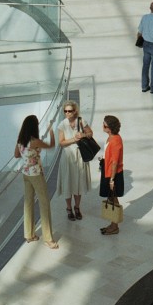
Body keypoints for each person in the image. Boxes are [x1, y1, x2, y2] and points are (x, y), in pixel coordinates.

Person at [14, 114, 59, 249]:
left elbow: (16, 155)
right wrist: (51, 130)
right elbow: (51, 145)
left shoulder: (20, 141)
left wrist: (27, 156)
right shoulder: (34, 141)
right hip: (36, 175)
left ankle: (29, 234)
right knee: (44, 204)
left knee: (28, 203)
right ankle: (48, 239)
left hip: (26, 174)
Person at [54, 96, 95, 226]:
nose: (67, 113)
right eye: (65, 111)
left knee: (78, 182)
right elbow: (61, 143)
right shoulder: (62, 125)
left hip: (80, 156)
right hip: (67, 157)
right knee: (68, 182)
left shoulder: (81, 121)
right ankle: (68, 208)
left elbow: (90, 133)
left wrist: (83, 135)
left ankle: (77, 207)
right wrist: (74, 139)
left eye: (70, 111)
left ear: (75, 111)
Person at [98, 115, 125, 235]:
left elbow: (115, 162)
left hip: (112, 174)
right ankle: (113, 223)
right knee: (110, 197)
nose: (102, 126)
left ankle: (115, 226)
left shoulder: (115, 140)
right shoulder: (111, 137)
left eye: (104, 125)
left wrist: (112, 179)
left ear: (109, 127)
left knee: (113, 198)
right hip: (107, 170)